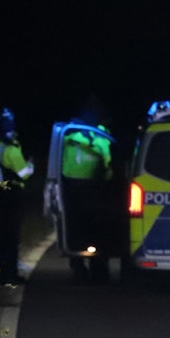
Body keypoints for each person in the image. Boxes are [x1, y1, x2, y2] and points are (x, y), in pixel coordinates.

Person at [0, 108, 35, 285]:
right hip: (11, 197)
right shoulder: (11, 150)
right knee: (11, 237)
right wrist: (31, 165)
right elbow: (24, 173)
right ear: (10, 130)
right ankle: (10, 274)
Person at [56, 121, 117, 282]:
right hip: (95, 190)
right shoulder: (102, 140)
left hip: (70, 189)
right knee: (96, 230)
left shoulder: (68, 138)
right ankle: (99, 269)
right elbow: (109, 166)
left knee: (75, 229)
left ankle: (78, 268)